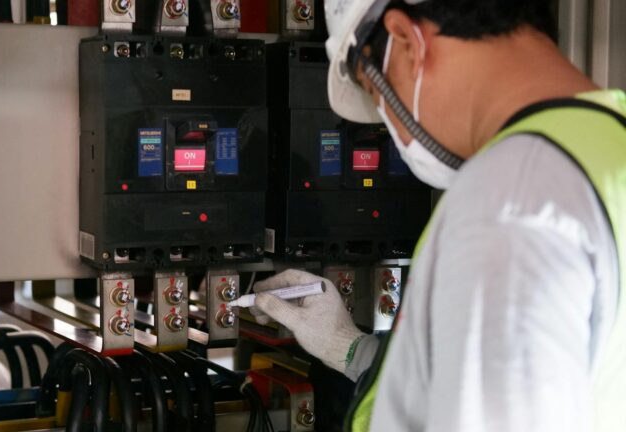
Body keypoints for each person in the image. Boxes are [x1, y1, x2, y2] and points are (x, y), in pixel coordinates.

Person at [251, 0, 626, 431]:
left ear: (408, 42)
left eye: (377, 96)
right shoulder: (607, 145)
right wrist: (351, 349)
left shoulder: (507, 204)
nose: (391, 129)